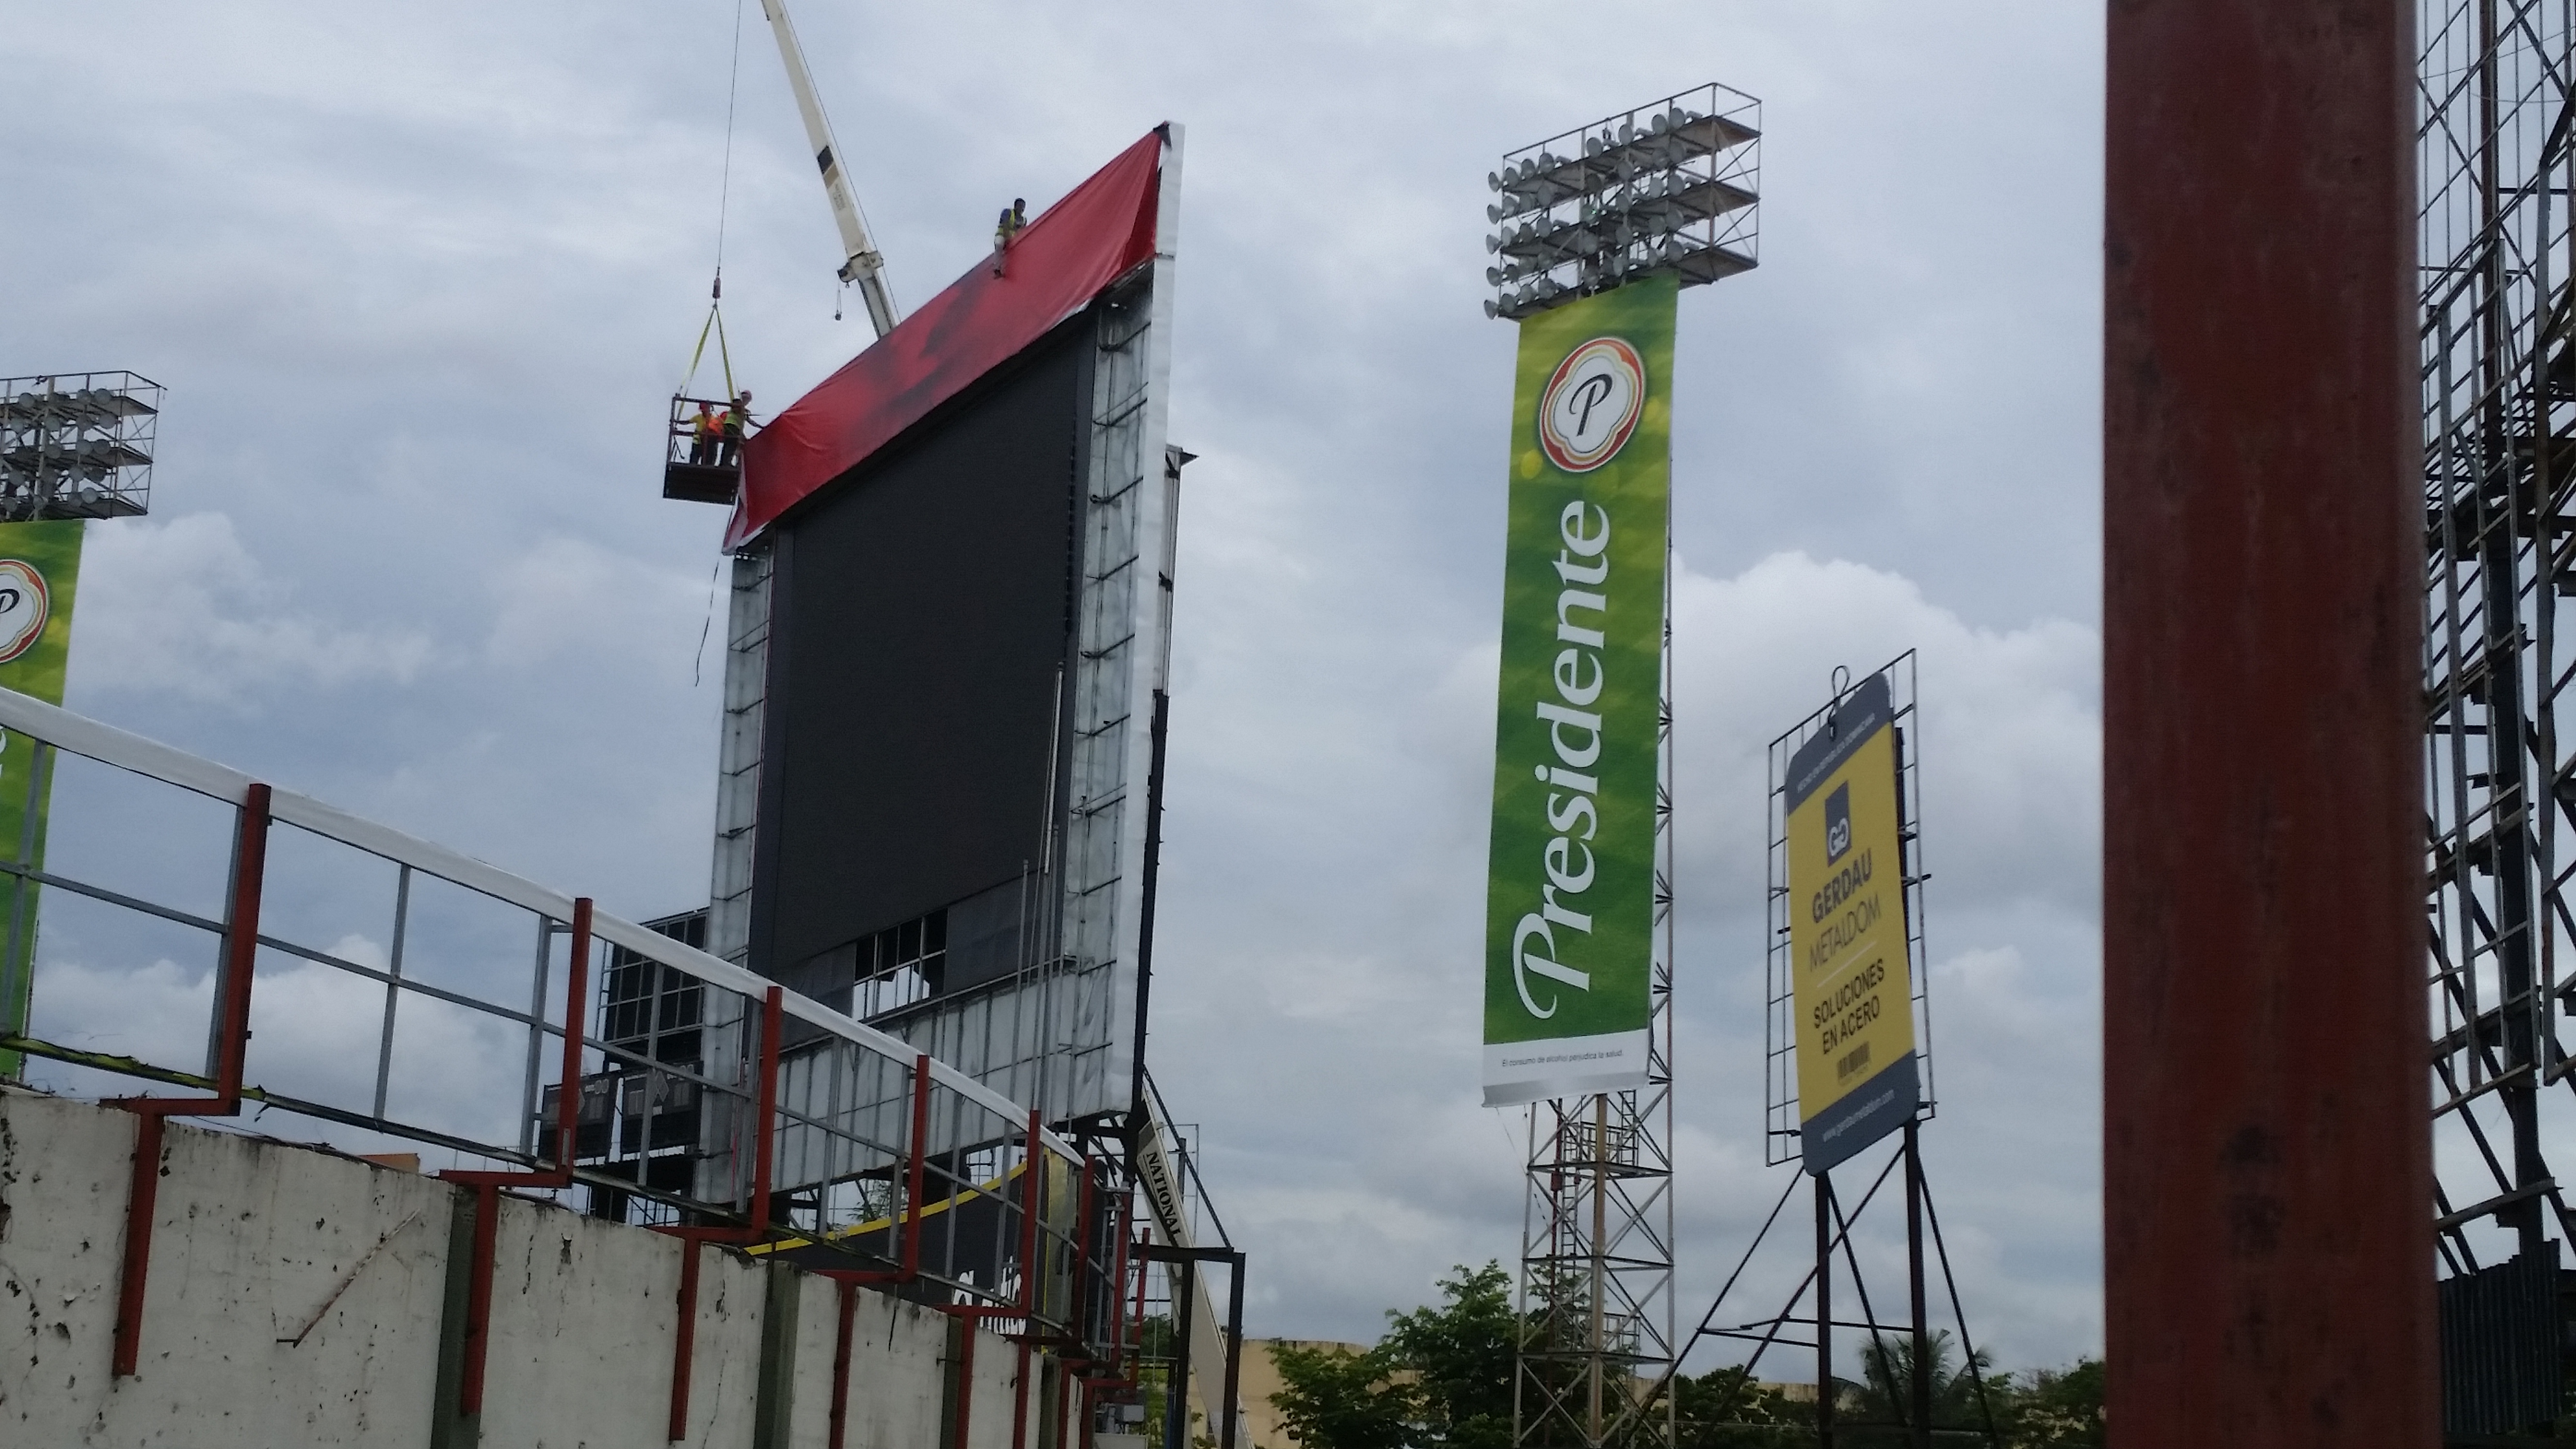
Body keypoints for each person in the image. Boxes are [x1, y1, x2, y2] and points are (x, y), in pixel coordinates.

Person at [719, 391, 752, 468]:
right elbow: (735, 409)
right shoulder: (738, 403)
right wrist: (743, 409)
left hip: (735, 427)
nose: (746, 400)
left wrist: (760, 426)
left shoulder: (743, 409)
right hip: (732, 425)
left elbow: (750, 421)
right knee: (731, 444)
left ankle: (724, 463)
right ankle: (726, 463)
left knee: (729, 444)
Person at [685, 402, 720, 466]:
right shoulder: (699, 417)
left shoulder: (713, 419)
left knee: (706, 460)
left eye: (704, 410)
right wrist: (677, 422)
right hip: (697, 441)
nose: (703, 412)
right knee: (694, 460)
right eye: (702, 411)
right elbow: (688, 422)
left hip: (707, 443)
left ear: (709, 409)